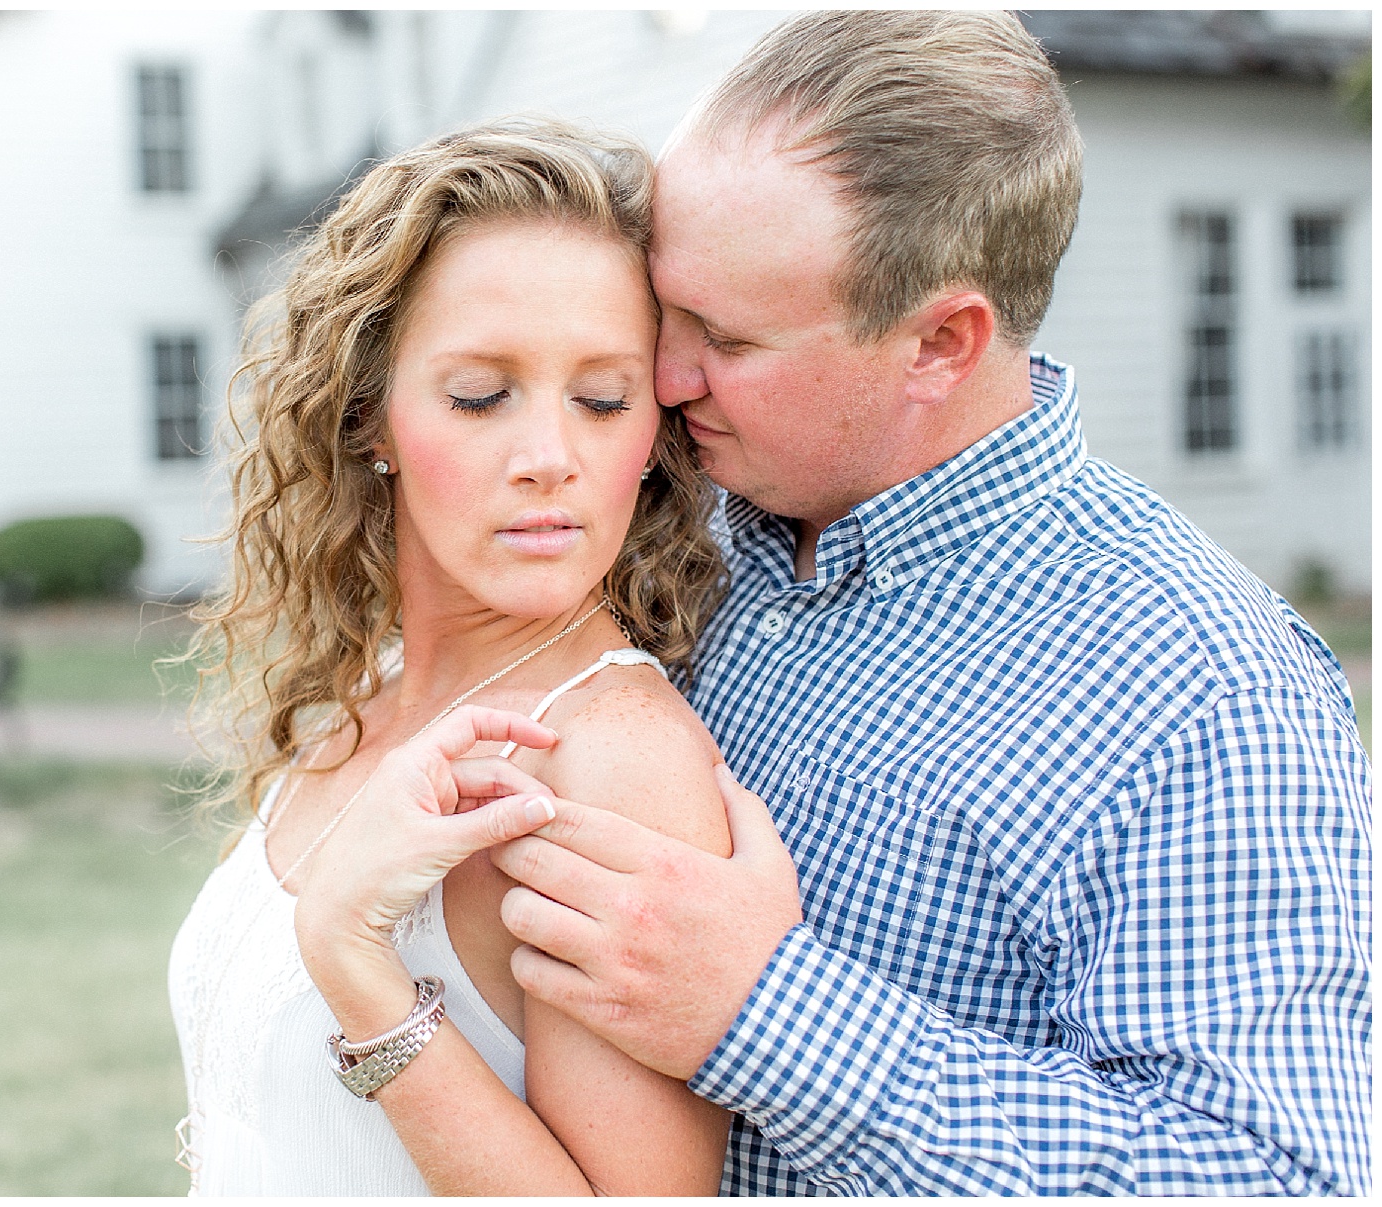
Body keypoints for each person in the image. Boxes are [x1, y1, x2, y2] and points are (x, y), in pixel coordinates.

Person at [487, 10, 1372, 1196]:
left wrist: (769, 1012)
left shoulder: (1201, 688)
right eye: (666, 312)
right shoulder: (661, 529)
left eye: (728, 338)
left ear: (941, 344)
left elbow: (1274, 1173)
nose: (665, 375)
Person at [167, 117, 737, 1195]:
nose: (548, 459)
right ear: (368, 414)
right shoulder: (364, 697)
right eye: (481, 394)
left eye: (603, 399)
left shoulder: (605, 766)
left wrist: (352, 959)